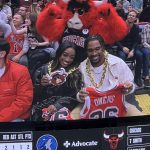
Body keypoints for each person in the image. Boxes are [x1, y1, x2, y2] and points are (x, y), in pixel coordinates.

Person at [74, 35, 144, 120]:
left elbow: (130, 85)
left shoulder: (117, 63)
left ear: (103, 48)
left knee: (139, 120)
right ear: (86, 52)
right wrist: (80, 96)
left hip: (120, 103)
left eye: (97, 49)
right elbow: (77, 92)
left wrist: (129, 88)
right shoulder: (82, 67)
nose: (94, 53)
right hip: (91, 107)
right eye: (90, 50)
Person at [32, 41, 82, 121]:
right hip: (40, 109)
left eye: (72, 57)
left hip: (64, 110)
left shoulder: (75, 74)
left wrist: (57, 106)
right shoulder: (44, 69)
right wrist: (41, 85)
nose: (67, 59)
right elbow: (32, 95)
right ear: (59, 53)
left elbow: (75, 97)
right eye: (65, 55)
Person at [0, 38, 33, 122]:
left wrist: (1, 117)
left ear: (2, 54)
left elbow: (24, 101)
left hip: (13, 118)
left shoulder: (20, 71)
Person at [116, 10, 143, 87]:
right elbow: (116, 39)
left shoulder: (136, 27)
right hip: (122, 47)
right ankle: (123, 79)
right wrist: (122, 47)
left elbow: (136, 41)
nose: (131, 16)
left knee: (140, 55)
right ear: (127, 16)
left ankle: (137, 78)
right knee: (122, 57)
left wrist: (132, 50)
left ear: (135, 19)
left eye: (133, 16)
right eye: (130, 15)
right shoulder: (120, 25)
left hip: (132, 48)